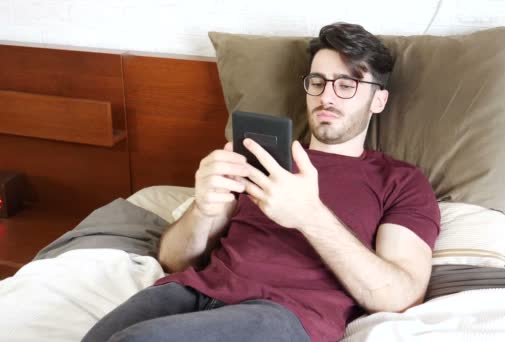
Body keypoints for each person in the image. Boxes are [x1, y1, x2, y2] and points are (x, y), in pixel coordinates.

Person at [82, 22, 440, 342]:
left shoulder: (400, 180)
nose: (327, 96)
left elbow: (401, 295)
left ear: (378, 100)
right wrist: (203, 210)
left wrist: (310, 216)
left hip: (285, 313)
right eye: (317, 82)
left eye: (347, 84)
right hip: (191, 291)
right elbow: (175, 260)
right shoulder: (261, 153)